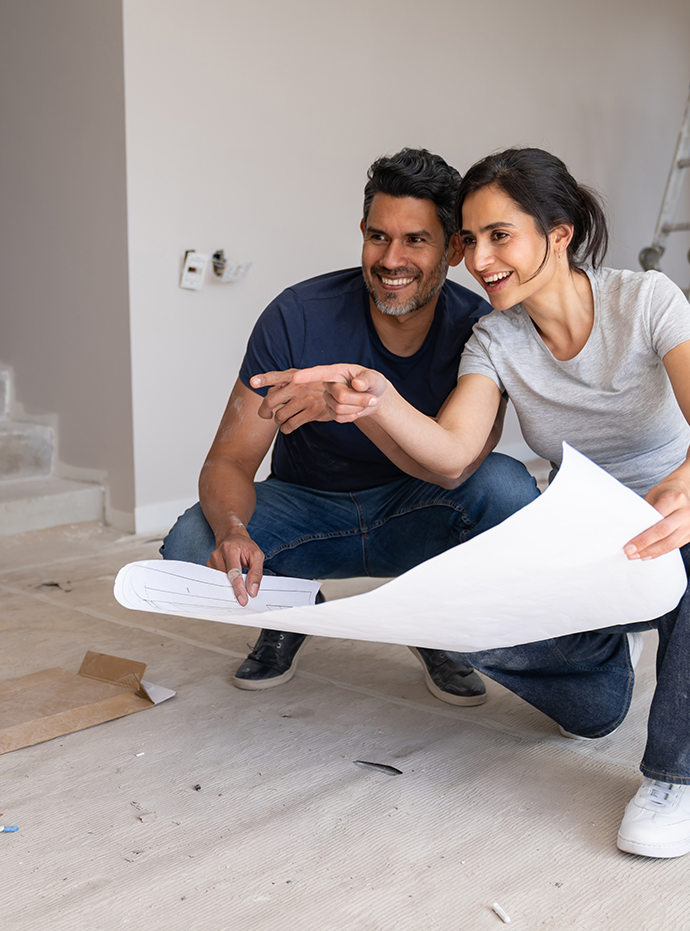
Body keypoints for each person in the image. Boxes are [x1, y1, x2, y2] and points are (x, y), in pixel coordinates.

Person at [270, 147, 690, 859]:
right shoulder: (497, 336)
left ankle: (679, 774)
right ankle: (606, 660)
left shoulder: (646, 299)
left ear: (559, 232)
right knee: (496, 637)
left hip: (686, 518)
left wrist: (684, 489)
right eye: (470, 240)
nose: (479, 258)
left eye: (499, 235)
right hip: (590, 542)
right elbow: (452, 452)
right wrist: (375, 399)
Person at [160, 147, 539, 707]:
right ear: (362, 231)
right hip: (310, 505)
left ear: (454, 249)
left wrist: (354, 404)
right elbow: (230, 460)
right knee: (194, 543)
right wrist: (235, 528)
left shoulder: (481, 330)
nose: (392, 259)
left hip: (418, 507)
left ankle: (430, 619)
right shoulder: (297, 315)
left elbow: (458, 466)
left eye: (416, 239)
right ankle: (290, 609)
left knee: (508, 489)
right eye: (379, 236)